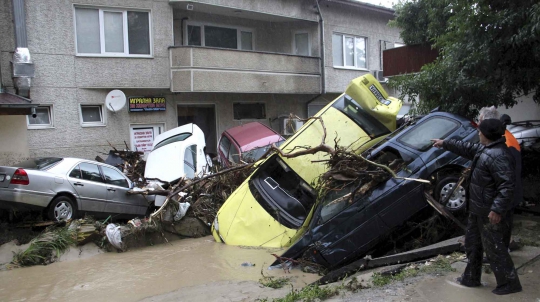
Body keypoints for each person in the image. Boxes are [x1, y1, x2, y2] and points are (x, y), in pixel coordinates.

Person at [431, 118, 522, 295]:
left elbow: (507, 186)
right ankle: (471, 277)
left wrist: (497, 209)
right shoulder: (486, 148)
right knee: (472, 244)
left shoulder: (499, 155)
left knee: (494, 248)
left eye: (480, 131)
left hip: (488, 211)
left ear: (487, 135)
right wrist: (445, 143)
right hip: (477, 209)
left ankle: (509, 283)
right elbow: (466, 148)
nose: (478, 133)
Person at [478, 107, 522, 248]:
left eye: (480, 120)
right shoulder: (502, 138)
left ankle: (502, 255)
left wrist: (497, 206)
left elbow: (506, 179)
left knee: (500, 230)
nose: (478, 125)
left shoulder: (504, 144)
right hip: (505, 196)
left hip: (504, 197)